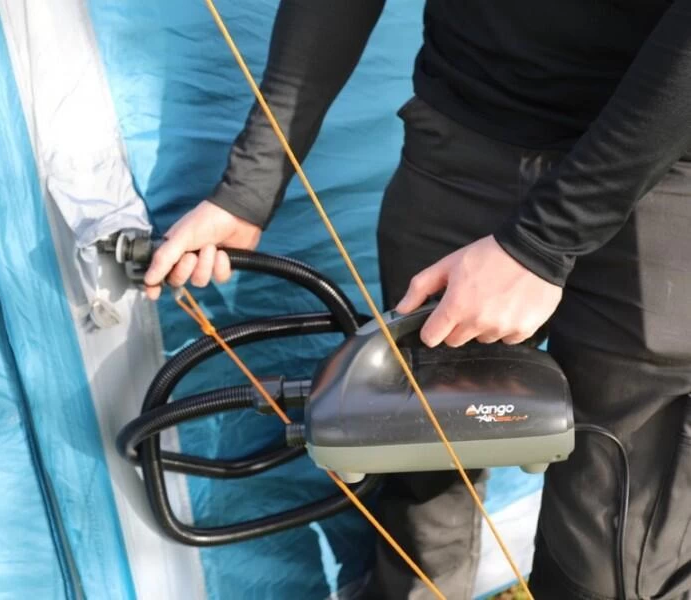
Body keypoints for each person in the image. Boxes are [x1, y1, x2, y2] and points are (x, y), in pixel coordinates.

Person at [142, 1, 691, 598]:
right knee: (418, 473)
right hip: (463, 136)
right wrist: (252, 181)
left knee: (613, 547)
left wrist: (542, 242)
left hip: (665, 167)